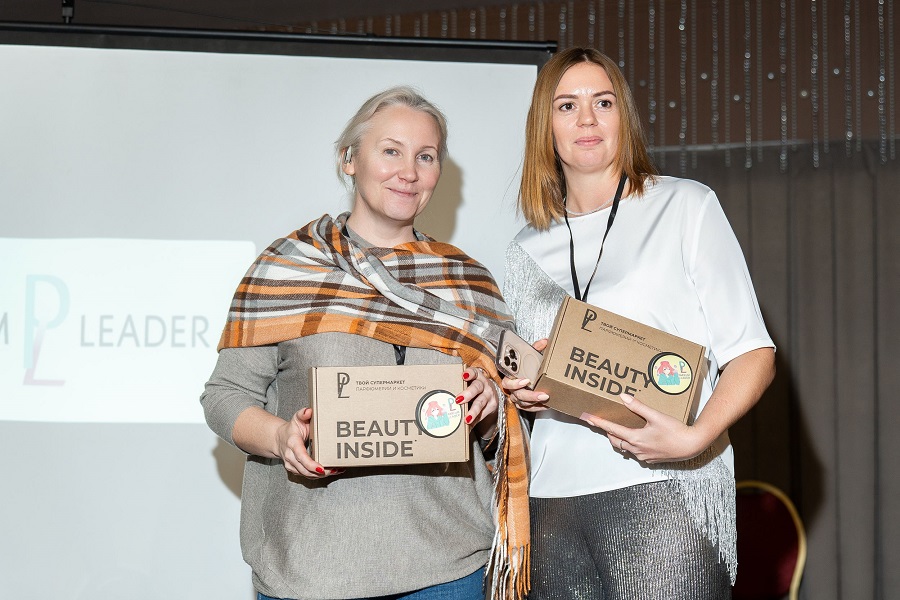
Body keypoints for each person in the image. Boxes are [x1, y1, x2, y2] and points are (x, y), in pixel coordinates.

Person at [201, 86, 529, 600]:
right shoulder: (287, 269)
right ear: (349, 159)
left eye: (426, 157)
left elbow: (511, 426)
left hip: (449, 568)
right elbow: (224, 396)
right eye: (391, 151)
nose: (409, 172)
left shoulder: (468, 284)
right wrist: (281, 437)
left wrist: (491, 407)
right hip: (309, 570)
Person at [502, 48, 776, 599]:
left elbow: (753, 353)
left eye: (603, 102)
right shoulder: (524, 247)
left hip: (664, 488)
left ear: (623, 116)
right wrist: (524, 391)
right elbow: (529, 371)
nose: (587, 119)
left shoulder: (685, 206)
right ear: (544, 126)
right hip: (551, 498)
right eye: (567, 105)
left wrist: (695, 438)